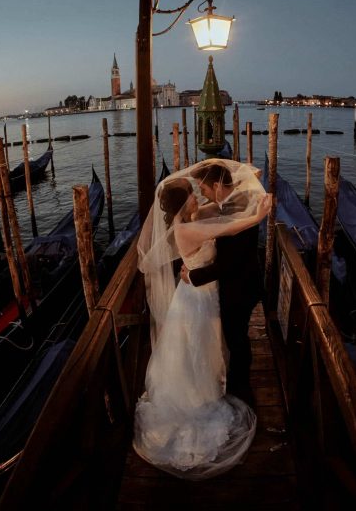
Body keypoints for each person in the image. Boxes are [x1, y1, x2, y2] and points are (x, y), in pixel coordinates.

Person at [135, 161, 272, 480]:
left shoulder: (192, 217)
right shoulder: (189, 227)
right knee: (201, 346)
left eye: (201, 189)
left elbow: (217, 207)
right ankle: (204, 395)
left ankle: (214, 385)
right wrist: (259, 216)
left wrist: (245, 179)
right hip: (200, 297)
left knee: (207, 344)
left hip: (202, 292)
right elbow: (230, 228)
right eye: (193, 194)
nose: (199, 195)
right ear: (185, 204)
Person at [180, 160, 262, 405]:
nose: (201, 194)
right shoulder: (232, 202)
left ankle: (242, 392)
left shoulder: (237, 210)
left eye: (202, 188)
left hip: (240, 288)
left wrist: (192, 276)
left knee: (237, 340)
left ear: (216, 185)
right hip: (241, 283)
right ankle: (234, 382)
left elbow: (228, 265)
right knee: (234, 338)